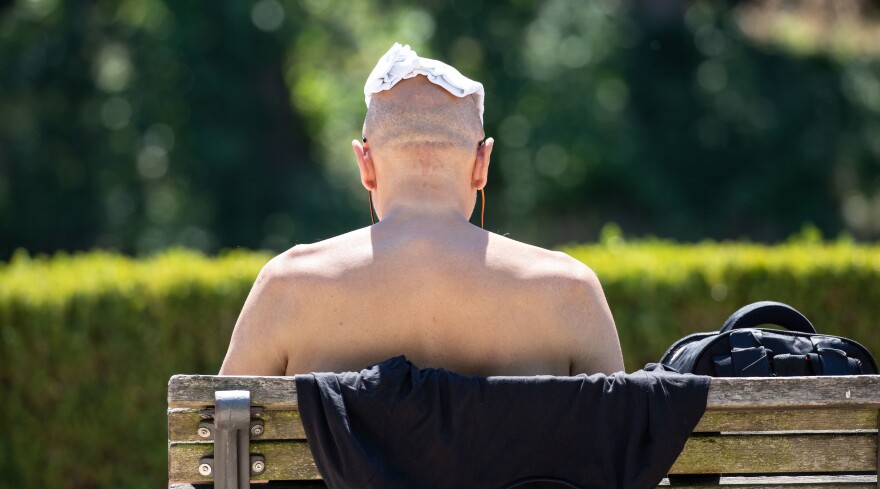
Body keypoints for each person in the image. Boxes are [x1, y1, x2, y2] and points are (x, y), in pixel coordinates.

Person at [219, 43, 624, 377]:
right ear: (482, 164)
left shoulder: (287, 286)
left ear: (366, 163)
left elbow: (219, 459)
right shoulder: (571, 291)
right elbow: (619, 465)